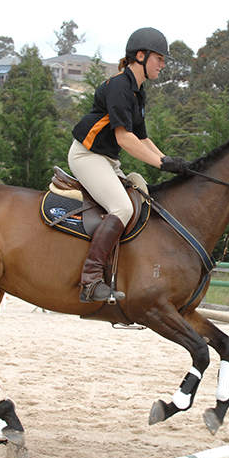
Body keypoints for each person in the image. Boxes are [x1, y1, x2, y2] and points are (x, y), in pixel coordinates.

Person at [69, 27, 187, 303]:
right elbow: (124, 138)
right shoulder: (120, 86)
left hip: (107, 160)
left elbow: (142, 137)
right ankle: (90, 279)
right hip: (87, 156)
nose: (163, 64)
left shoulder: (137, 91)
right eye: (159, 58)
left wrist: (170, 161)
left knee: (143, 197)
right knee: (121, 208)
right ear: (141, 56)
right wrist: (161, 163)